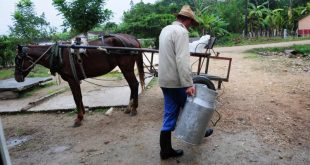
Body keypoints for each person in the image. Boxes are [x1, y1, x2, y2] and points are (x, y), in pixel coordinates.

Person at [158, 5, 213, 160]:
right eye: (191, 22)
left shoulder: (165, 30)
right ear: (187, 19)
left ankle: (165, 150)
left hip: (164, 80)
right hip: (176, 81)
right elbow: (182, 60)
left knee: (170, 113)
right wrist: (189, 84)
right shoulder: (181, 32)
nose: (190, 26)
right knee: (192, 105)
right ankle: (201, 132)